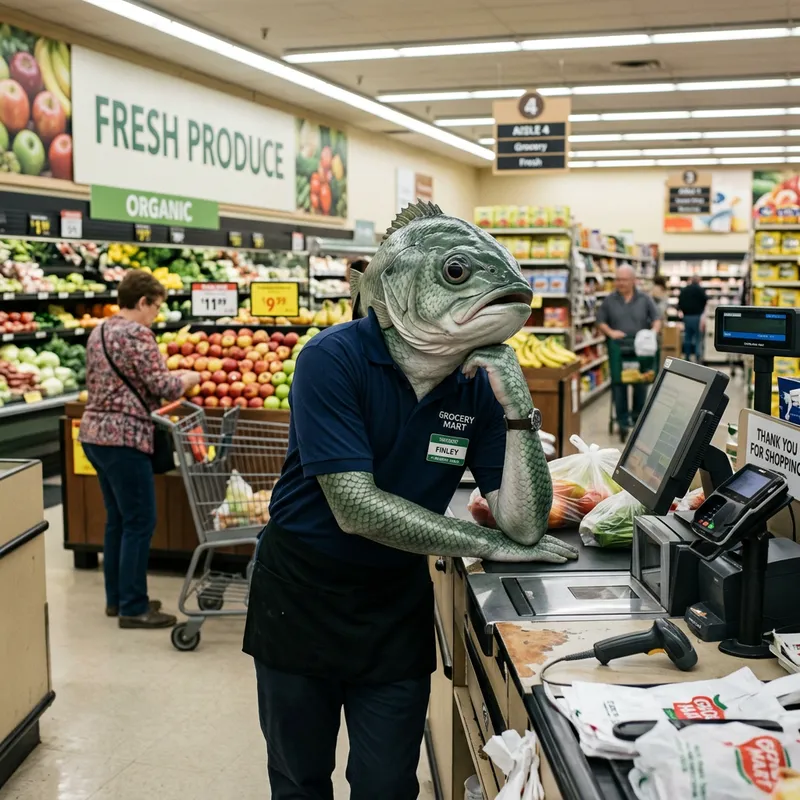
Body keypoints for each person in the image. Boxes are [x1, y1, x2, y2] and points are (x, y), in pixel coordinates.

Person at [243, 202, 577, 800]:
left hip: (394, 607)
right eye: (455, 274)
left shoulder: (478, 385)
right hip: (300, 600)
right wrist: (483, 542)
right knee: (298, 779)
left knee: (388, 782)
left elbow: (524, 527)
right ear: (397, 285)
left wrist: (518, 406)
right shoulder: (332, 358)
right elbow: (355, 507)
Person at [79, 270, 200, 629]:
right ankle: (134, 606)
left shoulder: (99, 330)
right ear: (143, 301)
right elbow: (163, 386)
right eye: (156, 307)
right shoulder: (137, 334)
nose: (156, 316)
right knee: (140, 522)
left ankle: (117, 599)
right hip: (125, 438)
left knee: (118, 519)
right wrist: (189, 379)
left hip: (93, 434)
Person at [597, 264, 661, 439]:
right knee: (619, 384)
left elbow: (656, 319)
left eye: (624, 280)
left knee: (641, 382)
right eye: (617, 279)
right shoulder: (609, 300)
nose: (620, 283)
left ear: (633, 280)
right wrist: (610, 332)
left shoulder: (645, 299)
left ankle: (638, 419)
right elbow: (601, 321)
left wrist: (652, 333)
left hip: (641, 348)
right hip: (618, 348)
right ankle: (622, 421)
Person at [678, 276, 708, 362]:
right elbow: (705, 301)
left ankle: (687, 356)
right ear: (699, 281)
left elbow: (680, 302)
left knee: (687, 337)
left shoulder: (685, 290)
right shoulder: (700, 290)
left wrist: (683, 311)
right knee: (698, 337)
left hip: (687, 316)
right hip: (697, 316)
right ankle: (697, 356)